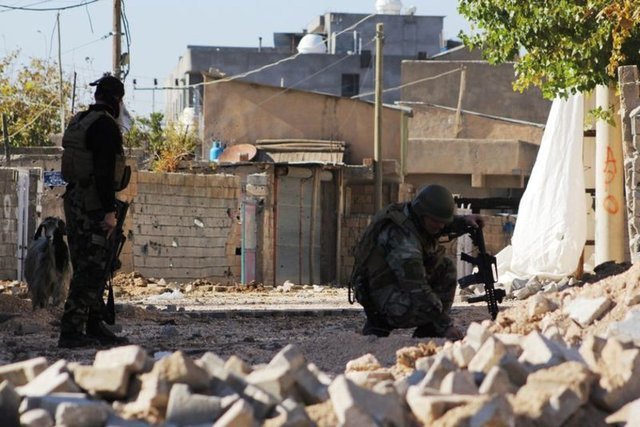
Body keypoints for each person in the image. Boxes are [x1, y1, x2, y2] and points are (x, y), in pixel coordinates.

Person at [349, 184, 483, 340]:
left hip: (390, 284)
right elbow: (417, 288)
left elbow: (439, 224)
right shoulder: (403, 240)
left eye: (443, 221)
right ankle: (380, 323)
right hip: (381, 298)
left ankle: (426, 331)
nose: (441, 226)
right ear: (422, 214)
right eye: (436, 221)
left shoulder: (412, 215)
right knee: (431, 288)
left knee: (445, 267)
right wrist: (445, 325)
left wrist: (464, 221)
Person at [58, 74, 130, 348]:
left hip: (75, 199)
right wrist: (109, 211)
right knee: (92, 267)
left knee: (88, 263)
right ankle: (72, 330)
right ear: (116, 100)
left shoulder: (81, 120)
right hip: (93, 204)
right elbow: (103, 172)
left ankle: (94, 323)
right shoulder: (105, 126)